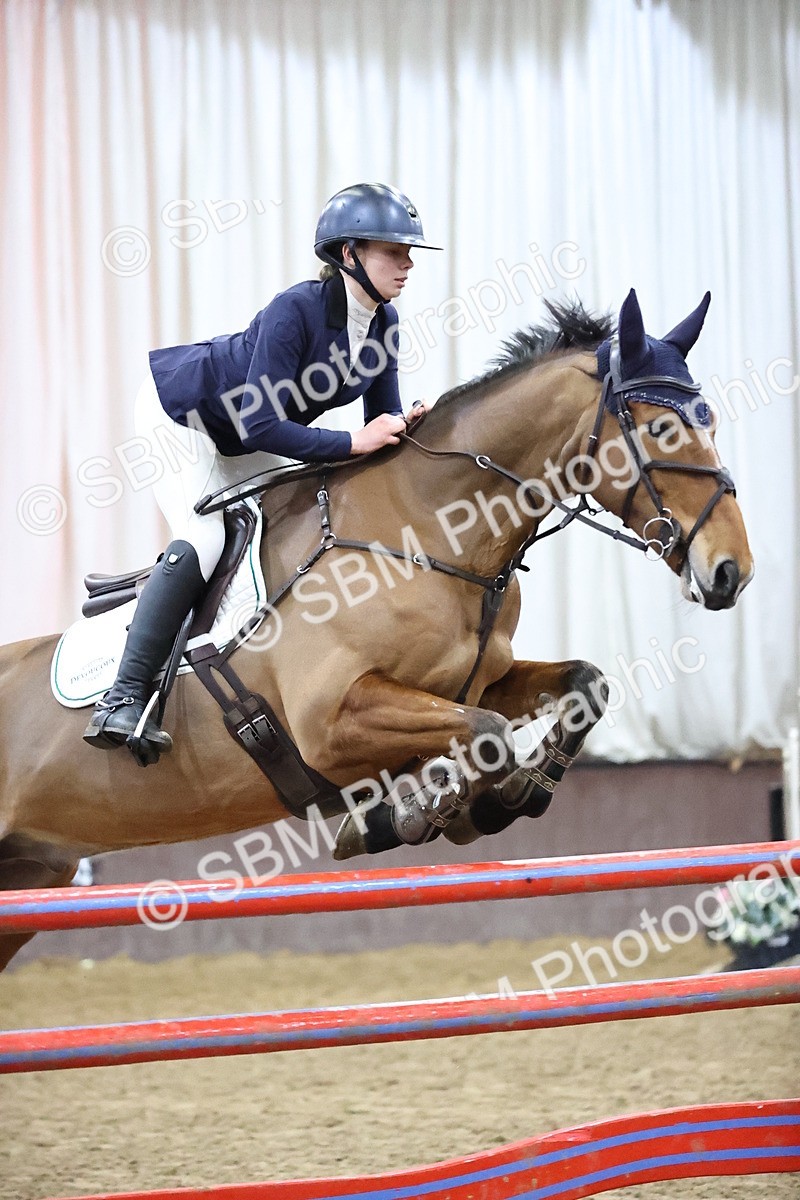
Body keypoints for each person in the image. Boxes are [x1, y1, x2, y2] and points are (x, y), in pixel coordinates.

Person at [83, 182, 441, 763]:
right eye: (393, 251)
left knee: (300, 511)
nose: (407, 264)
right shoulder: (294, 310)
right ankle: (122, 697)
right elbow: (261, 426)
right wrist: (353, 442)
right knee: (206, 535)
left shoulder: (384, 323)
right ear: (348, 253)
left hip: (246, 430)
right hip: (183, 415)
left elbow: (379, 419)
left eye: (409, 253)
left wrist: (410, 427)